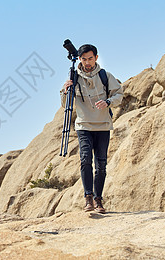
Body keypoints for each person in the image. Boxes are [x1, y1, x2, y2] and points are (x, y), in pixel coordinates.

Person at [60, 44, 123, 213]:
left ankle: (98, 200)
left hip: (103, 125)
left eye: (90, 58)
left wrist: (108, 102)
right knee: (85, 159)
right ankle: (88, 198)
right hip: (83, 125)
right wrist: (66, 91)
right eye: (84, 59)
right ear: (79, 59)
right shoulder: (74, 78)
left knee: (101, 165)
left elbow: (119, 95)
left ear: (96, 57)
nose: (87, 62)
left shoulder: (105, 76)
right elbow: (65, 105)